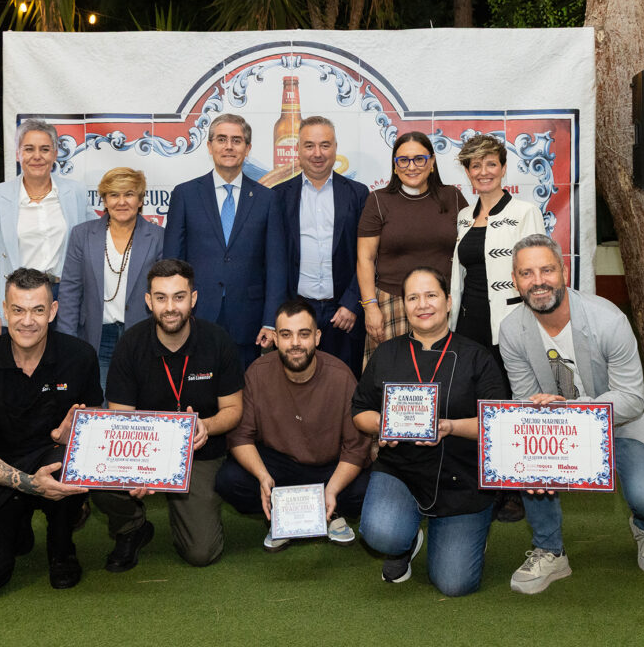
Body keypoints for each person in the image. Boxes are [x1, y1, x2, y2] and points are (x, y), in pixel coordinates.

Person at [499, 234, 644, 595]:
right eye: (527, 273)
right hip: (556, 427)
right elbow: (524, 402)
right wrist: (534, 456)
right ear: (514, 280)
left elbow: (630, 399)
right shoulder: (511, 330)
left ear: (564, 271)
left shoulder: (608, 320)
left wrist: (571, 410)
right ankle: (550, 550)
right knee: (528, 461)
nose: (538, 281)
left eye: (547, 270)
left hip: (621, 422)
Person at [353, 267, 507, 597]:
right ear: (404, 306)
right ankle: (405, 542)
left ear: (448, 302)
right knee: (381, 533)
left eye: (431, 295)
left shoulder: (477, 356)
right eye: (413, 298)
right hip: (401, 470)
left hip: (462, 477)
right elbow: (359, 411)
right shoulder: (387, 353)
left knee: (455, 584)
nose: (422, 304)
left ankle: (464, 531)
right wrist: (382, 424)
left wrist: (450, 426)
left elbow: (497, 423)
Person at [0, 268, 102, 599]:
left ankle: (62, 548)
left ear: (53, 311)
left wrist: (68, 437)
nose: (27, 321)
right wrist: (30, 484)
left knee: (67, 462)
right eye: (18, 310)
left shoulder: (80, 356)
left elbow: (95, 436)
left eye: (38, 310)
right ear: (5, 310)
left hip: (50, 460)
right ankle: (15, 524)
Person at [94, 259, 243, 569]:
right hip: (145, 452)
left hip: (198, 453)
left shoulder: (218, 341)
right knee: (99, 475)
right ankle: (132, 527)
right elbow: (121, 420)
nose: (171, 307)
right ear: (149, 301)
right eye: (161, 298)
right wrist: (141, 468)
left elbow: (233, 410)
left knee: (202, 553)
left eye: (179, 297)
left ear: (193, 299)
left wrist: (204, 426)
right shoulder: (130, 345)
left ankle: (184, 510)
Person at [215, 299, 371, 551]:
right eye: (286, 335)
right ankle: (283, 516)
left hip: (327, 468)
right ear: (276, 339)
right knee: (229, 479)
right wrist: (262, 476)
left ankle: (329, 511)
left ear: (317, 337)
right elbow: (241, 436)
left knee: (366, 489)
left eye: (304, 334)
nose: (295, 343)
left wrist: (332, 490)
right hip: (279, 467)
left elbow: (356, 448)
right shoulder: (257, 372)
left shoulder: (341, 376)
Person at [449, 133, 545, 523]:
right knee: (476, 406)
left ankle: (514, 491)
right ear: (468, 172)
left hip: (509, 326)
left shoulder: (524, 211)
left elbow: (537, 273)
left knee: (510, 405)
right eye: (476, 165)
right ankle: (481, 485)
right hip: (467, 326)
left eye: (491, 164)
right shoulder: (463, 216)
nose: (484, 172)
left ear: (504, 168)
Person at [163, 113, 287, 369]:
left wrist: (270, 321)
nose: (229, 146)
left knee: (243, 389)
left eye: (236, 140)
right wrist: (175, 310)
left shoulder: (267, 199)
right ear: (210, 146)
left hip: (248, 320)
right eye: (221, 139)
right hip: (195, 314)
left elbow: (276, 265)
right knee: (194, 386)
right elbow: (172, 264)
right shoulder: (185, 194)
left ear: (247, 149)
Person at [357, 131, 466, 368]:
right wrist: (370, 307)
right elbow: (365, 258)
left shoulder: (453, 197)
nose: (412, 166)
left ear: (432, 162)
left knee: (443, 375)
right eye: (403, 160)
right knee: (389, 377)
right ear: (395, 166)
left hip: (441, 305)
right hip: (392, 304)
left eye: (419, 159)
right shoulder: (378, 201)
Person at [0, 119, 95, 338]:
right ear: (17, 154)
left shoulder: (76, 192)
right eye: (29, 149)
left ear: (55, 154)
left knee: (64, 357)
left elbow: (95, 238)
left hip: (65, 297)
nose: (37, 156)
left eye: (45, 149)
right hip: (18, 297)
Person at [274, 117, 370, 376]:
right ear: (298, 149)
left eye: (325, 145)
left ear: (335, 147)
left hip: (344, 313)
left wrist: (352, 303)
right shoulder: (278, 196)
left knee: (345, 384)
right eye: (309, 145)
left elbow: (368, 255)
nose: (317, 153)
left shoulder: (358, 194)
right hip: (296, 312)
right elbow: (273, 258)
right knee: (295, 385)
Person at [57, 167, 164, 389]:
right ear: (104, 200)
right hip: (97, 336)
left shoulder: (158, 237)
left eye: (129, 194)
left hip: (143, 336)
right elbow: (70, 291)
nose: (121, 202)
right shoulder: (82, 234)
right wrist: (67, 342)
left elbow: (165, 294)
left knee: (141, 400)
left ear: (140, 200)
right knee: (100, 401)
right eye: (114, 195)